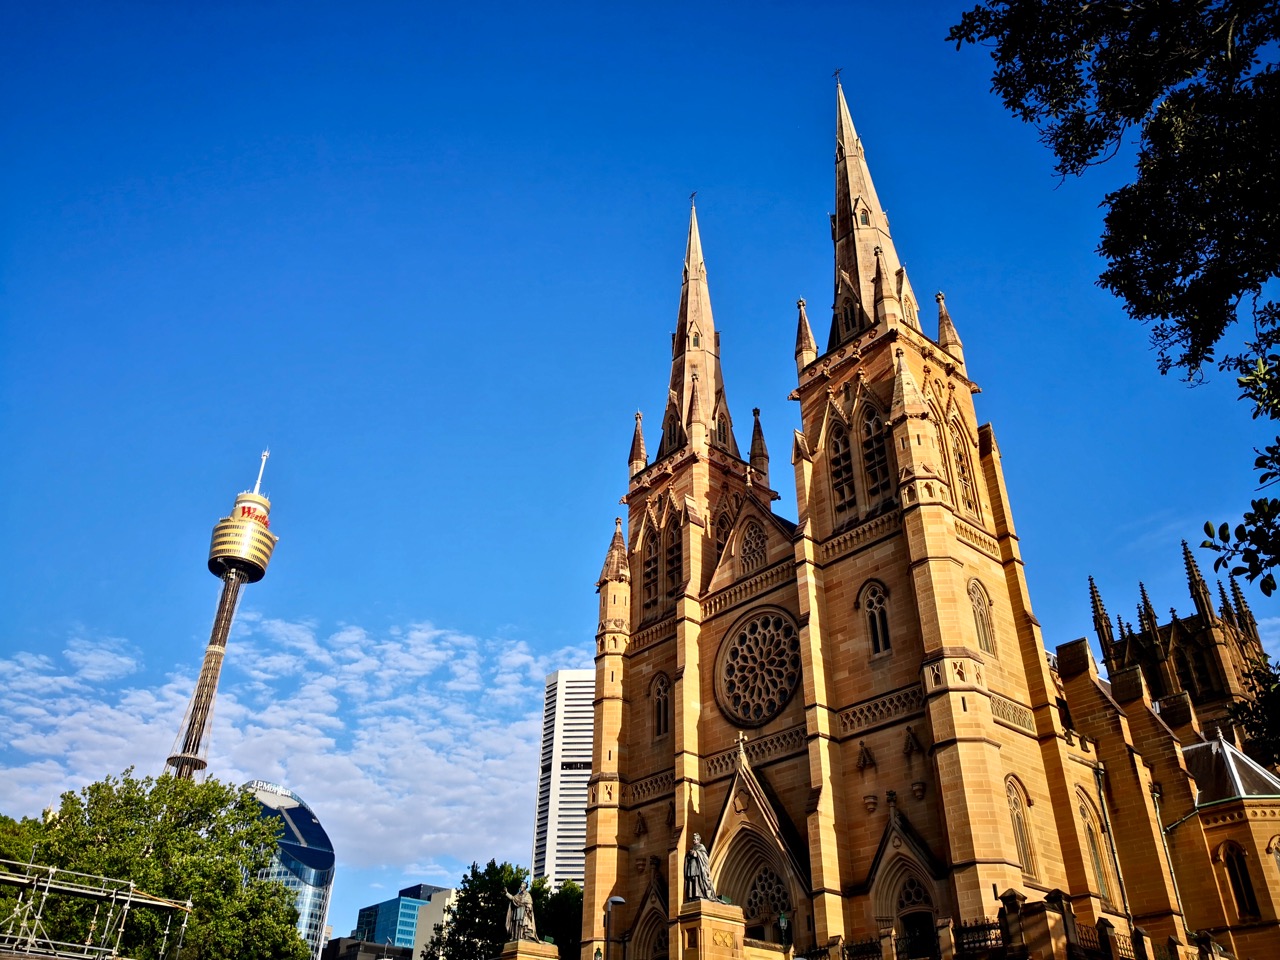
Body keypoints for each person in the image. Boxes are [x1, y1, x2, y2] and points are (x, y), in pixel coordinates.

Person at [684, 833, 716, 901]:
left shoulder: (701, 846)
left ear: (698, 840)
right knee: (691, 881)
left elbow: (704, 857)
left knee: (697, 880)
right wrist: (689, 854)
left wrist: (696, 853)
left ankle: (698, 894)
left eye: (695, 839)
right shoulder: (692, 848)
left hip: (697, 867)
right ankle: (692, 896)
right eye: (693, 839)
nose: (694, 840)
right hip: (691, 866)